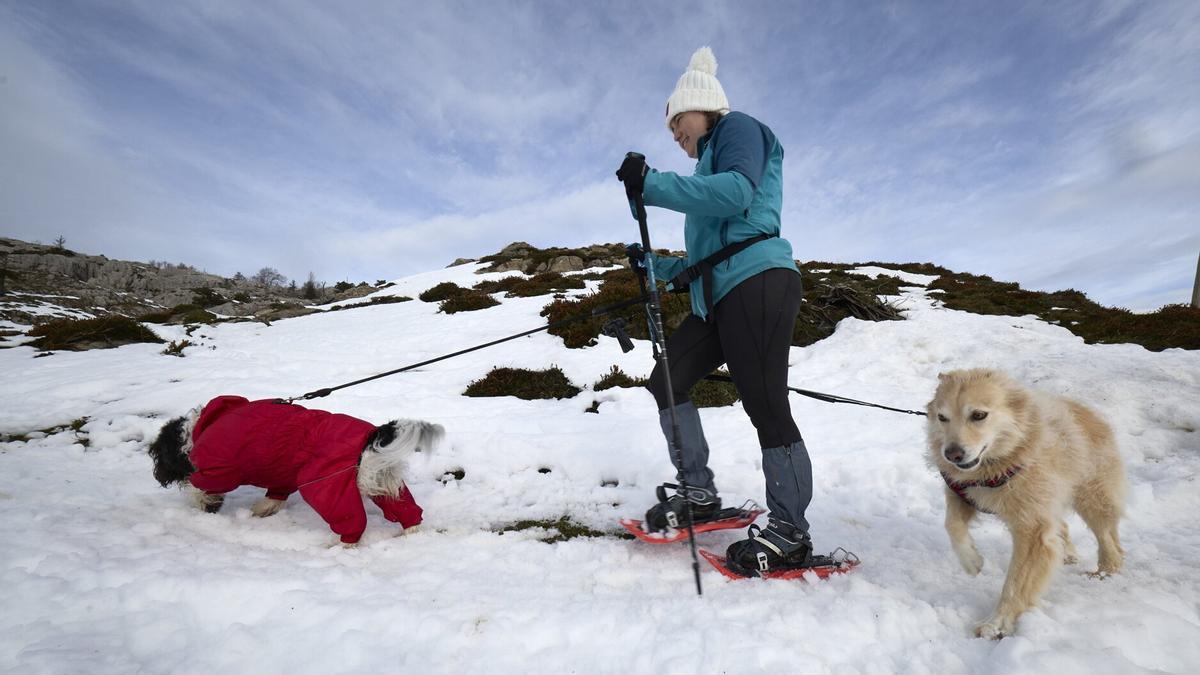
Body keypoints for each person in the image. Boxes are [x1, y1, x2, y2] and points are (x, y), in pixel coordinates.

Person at [616, 46, 815, 575]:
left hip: (759, 283)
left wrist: (654, 185)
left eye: (677, 120)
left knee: (765, 405)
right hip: (721, 295)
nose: (673, 133)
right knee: (668, 381)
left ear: (701, 108)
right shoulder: (706, 163)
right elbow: (710, 255)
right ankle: (698, 493)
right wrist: (655, 265)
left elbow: (735, 196)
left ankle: (791, 531)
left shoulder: (738, 130)